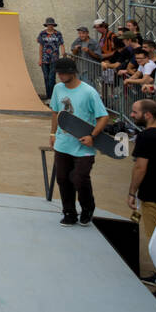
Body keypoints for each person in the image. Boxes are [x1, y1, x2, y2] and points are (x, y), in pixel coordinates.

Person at [48, 58, 108, 226]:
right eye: (58, 73)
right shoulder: (57, 88)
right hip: (62, 143)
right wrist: (52, 133)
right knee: (62, 178)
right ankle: (69, 212)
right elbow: (55, 112)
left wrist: (93, 136)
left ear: (73, 72)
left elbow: (103, 117)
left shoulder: (89, 92)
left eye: (63, 73)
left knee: (79, 178)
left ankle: (88, 207)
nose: (60, 76)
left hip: (83, 146)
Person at [129, 98, 156, 287]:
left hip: (151, 194)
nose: (132, 115)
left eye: (135, 112)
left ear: (147, 115)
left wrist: (132, 192)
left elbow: (140, 167)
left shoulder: (145, 137)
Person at [38, 18, 64, 96]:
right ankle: (48, 95)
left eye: (51, 24)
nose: (50, 26)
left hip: (54, 59)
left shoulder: (58, 34)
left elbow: (61, 44)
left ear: (53, 25)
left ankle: (52, 96)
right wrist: (40, 59)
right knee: (46, 77)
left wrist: (63, 53)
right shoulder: (42, 34)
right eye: (48, 24)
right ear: (46, 25)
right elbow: (41, 46)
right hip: (44, 59)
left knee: (51, 78)